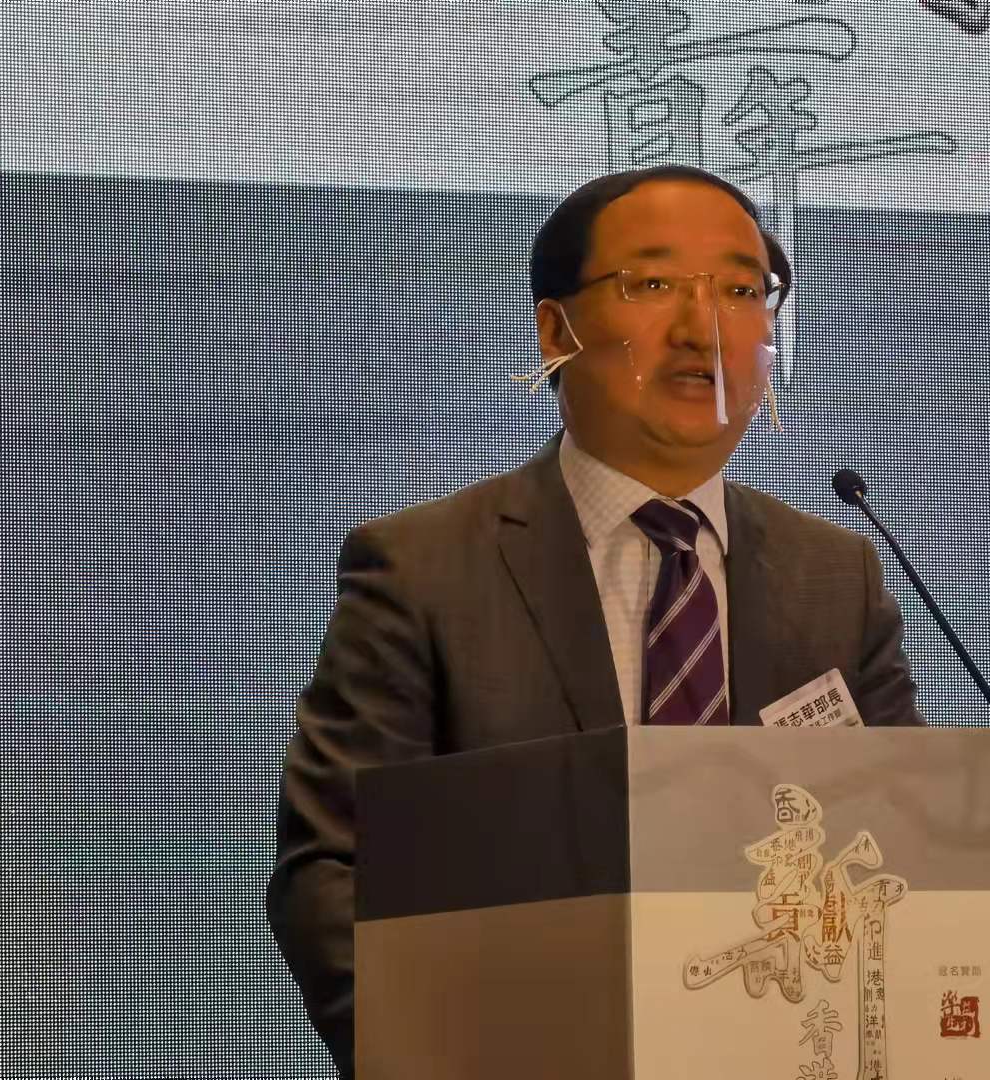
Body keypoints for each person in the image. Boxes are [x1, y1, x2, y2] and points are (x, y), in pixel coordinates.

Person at [266, 164, 922, 1076]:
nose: (702, 327)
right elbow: (336, 875)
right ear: (555, 331)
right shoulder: (424, 569)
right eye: (651, 284)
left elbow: (902, 851)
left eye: (741, 292)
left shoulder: (834, 575)